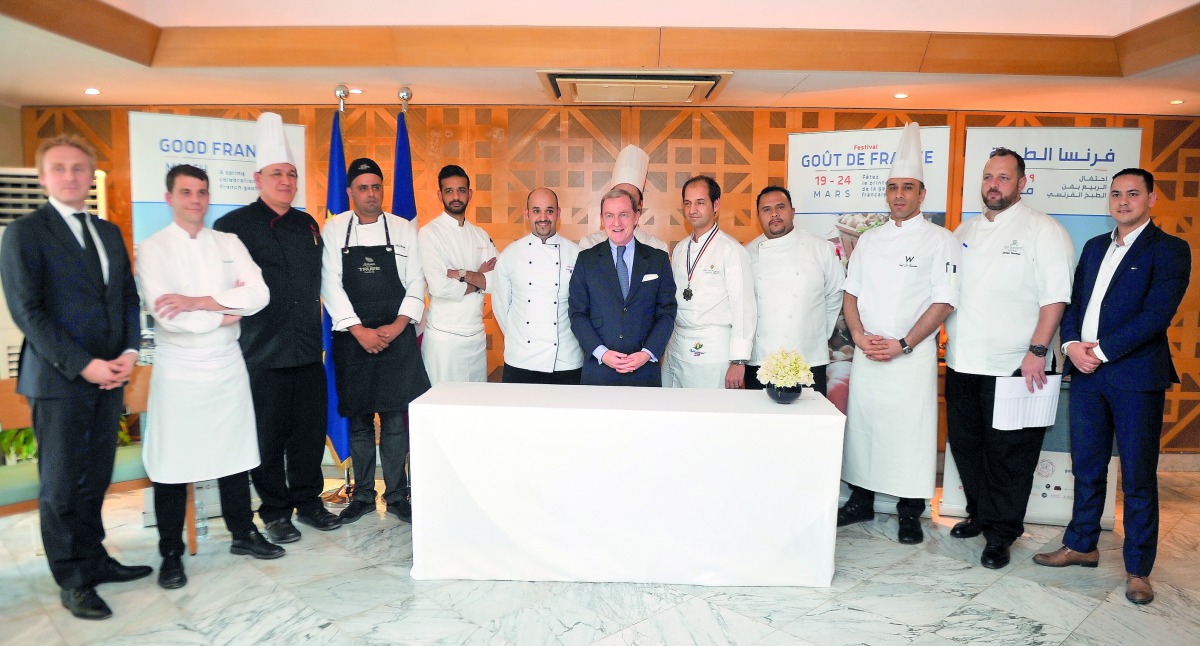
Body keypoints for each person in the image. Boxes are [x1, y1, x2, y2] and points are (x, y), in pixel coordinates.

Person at [0, 134, 150, 620]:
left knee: (95, 479)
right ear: (44, 177)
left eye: (79, 168)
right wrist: (84, 364)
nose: (71, 176)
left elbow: (128, 298)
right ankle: (74, 578)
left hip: (111, 377)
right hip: (60, 379)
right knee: (62, 486)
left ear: (90, 176)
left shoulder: (107, 232)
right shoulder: (24, 233)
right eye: (60, 168)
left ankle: (96, 558)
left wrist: (129, 351)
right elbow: (28, 311)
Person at [1034, 168, 1191, 605]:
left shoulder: (1170, 250)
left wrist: (1099, 351)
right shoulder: (1094, 247)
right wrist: (1069, 344)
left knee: (1139, 477)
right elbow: (1075, 302)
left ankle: (1138, 569)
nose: (1123, 201)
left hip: (1135, 376)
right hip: (1085, 375)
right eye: (1116, 194)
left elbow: (1157, 315)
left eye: (1133, 194)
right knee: (1086, 466)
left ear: (1151, 199)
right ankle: (1082, 544)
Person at [137, 164, 284, 590]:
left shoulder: (228, 241)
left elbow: (259, 295)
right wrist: (223, 314)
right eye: (186, 192)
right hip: (179, 368)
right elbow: (167, 316)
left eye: (201, 192)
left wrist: (196, 302)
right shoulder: (152, 249)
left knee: (234, 453)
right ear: (170, 198)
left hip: (226, 364)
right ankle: (171, 552)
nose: (195, 200)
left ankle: (243, 533)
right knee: (173, 463)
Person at [943, 147, 1075, 569]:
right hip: (964, 362)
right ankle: (980, 516)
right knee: (967, 446)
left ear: (1022, 183)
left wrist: (1037, 350)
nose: (993, 185)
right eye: (987, 177)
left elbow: (1056, 297)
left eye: (1002, 178)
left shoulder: (1044, 229)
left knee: (1010, 454)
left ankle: (1002, 533)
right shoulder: (965, 230)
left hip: (1017, 366)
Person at [214, 112, 341, 544]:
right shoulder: (231, 227)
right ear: (258, 178)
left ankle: (309, 503)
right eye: (276, 174)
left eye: (291, 174)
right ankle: (274, 511)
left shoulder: (307, 224)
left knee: (307, 434)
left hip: (306, 350)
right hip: (260, 352)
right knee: (267, 440)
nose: (285, 181)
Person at [837, 123, 960, 545]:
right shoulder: (870, 241)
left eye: (908, 187)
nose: (899, 195)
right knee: (866, 428)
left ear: (922, 194)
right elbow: (850, 294)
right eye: (892, 187)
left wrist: (904, 343)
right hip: (869, 351)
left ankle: (911, 510)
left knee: (910, 431)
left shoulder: (940, 240)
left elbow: (943, 301)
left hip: (910, 355)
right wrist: (857, 335)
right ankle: (861, 500)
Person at [321, 158, 430, 524]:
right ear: (350, 192)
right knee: (360, 421)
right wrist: (358, 330)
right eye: (363, 188)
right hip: (354, 339)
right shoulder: (335, 229)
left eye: (376, 187)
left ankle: (398, 495)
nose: (371, 194)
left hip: (396, 336)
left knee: (396, 420)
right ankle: (363, 495)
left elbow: (416, 281)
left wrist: (400, 324)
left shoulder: (401, 229)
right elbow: (330, 284)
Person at [569, 187, 677, 386]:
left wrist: (647, 353)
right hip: (599, 370)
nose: (616, 223)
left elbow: (667, 312)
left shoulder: (657, 260)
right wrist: (603, 353)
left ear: (636, 217)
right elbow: (577, 314)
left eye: (623, 215)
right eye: (609, 215)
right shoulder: (587, 260)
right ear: (602, 219)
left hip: (644, 370)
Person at [746, 185, 843, 395]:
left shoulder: (821, 248)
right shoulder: (746, 253)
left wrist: (814, 335)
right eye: (766, 209)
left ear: (792, 211)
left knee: (808, 424)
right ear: (758, 216)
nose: (774, 214)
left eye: (780, 207)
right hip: (761, 360)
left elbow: (835, 294)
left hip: (808, 358)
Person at [663, 175, 755, 389]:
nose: (692, 209)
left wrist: (739, 360)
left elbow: (744, 308)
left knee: (708, 414)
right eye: (687, 203)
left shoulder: (730, 250)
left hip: (713, 349)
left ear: (716, 205)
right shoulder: (680, 249)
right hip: (677, 344)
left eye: (700, 202)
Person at [493, 187, 585, 384]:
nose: (543, 217)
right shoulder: (510, 255)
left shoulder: (578, 255)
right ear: (527, 214)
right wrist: (519, 341)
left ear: (558, 214)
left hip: (565, 360)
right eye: (536, 211)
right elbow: (500, 307)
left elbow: (584, 309)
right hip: (521, 360)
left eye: (549, 211)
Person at [417, 164, 498, 385]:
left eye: (461, 190)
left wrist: (461, 274)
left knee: (474, 411)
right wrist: (478, 279)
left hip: (476, 338)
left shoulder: (481, 235)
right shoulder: (429, 234)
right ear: (440, 195)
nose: (455, 196)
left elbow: (497, 281)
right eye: (449, 191)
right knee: (441, 411)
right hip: (444, 340)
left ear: (470, 194)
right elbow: (439, 287)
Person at [577, 144, 668, 253]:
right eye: (619, 195)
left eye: (631, 198)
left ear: (640, 205)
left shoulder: (657, 248)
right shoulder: (589, 245)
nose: (623, 203)